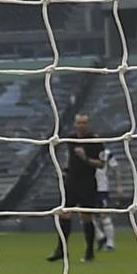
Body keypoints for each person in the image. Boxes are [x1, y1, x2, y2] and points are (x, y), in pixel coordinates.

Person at [47, 113, 104, 263]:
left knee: (86, 216)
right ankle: (61, 250)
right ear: (75, 124)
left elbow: (101, 163)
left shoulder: (95, 140)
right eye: (79, 123)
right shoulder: (70, 139)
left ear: (89, 124)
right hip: (71, 181)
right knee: (64, 214)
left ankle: (89, 251)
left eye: (84, 123)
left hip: (87, 182)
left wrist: (85, 158)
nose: (81, 125)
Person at [94, 146, 120, 252]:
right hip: (86, 189)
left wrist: (119, 185)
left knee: (104, 215)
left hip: (102, 188)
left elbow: (115, 168)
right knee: (86, 215)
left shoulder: (106, 153)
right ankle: (100, 237)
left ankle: (110, 243)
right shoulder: (84, 151)